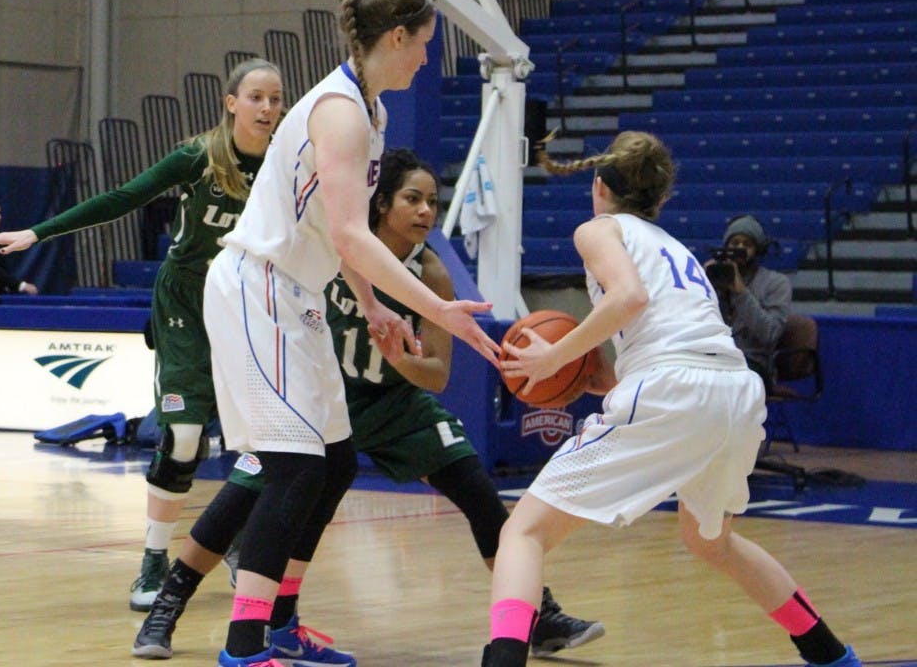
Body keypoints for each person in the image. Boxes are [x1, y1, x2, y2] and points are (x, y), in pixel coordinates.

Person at [132, 148, 603, 661]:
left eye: (432, 202)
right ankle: (168, 606)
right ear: (381, 204)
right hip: (323, 394)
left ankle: (540, 613)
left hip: (395, 403)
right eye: (413, 199)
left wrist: (397, 356)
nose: (426, 211)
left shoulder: (431, 272)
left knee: (479, 492)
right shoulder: (340, 251)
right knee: (247, 488)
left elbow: (439, 376)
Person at [201, 0, 499, 667]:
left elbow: (342, 238)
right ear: (396, 38)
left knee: (333, 461)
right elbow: (353, 234)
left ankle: (279, 626)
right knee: (295, 470)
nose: (426, 59)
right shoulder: (340, 113)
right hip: (257, 285)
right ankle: (243, 648)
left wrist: (369, 306)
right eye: (424, 45)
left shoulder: (370, 113)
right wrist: (433, 306)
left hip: (299, 291)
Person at [482, 131, 862, 667]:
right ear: (657, 199)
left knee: (522, 530)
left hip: (675, 388)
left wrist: (551, 360)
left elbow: (629, 299)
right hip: (734, 390)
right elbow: (674, 342)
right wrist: (603, 379)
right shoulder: (674, 248)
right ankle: (833, 656)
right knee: (713, 543)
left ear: (599, 185)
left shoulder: (598, 229)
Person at [0, 60, 284, 611]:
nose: (267, 108)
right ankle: (153, 558)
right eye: (256, 97)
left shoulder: (288, 160)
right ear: (231, 102)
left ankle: (234, 540)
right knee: (184, 437)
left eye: (275, 99)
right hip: (187, 299)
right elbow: (122, 198)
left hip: (248, 305)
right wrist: (38, 232)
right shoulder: (197, 157)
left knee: (255, 444)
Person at [705, 214, 793, 386]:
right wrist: (702, 285)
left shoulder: (777, 283)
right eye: (734, 243)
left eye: (747, 244)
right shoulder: (714, 277)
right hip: (716, 357)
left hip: (753, 362)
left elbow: (770, 334)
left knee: (723, 384)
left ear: (758, 250)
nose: (739, 248)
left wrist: (740, 292)